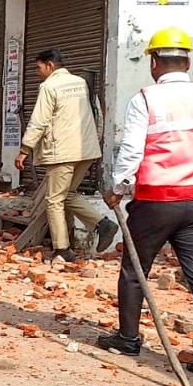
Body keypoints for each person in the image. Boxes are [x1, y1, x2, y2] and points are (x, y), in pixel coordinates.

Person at [97, 27, 193, 378]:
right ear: (188, 62)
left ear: (154, 62)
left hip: (155, 202)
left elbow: (132, 151)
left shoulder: (146, 99)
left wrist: (119, 188)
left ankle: (128, 338)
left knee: (134, 269)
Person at [15, 49, 118, 262]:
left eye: (39, 68)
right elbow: (94, 113)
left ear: (50, 66)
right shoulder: (80, 83)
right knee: (68, 194)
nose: (37, 72)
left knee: (54, 200)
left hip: (62, 151)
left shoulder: (49, 86)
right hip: (86, 150)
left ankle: (62, 249)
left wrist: (25, 149)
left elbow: (39, 121)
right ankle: (103, 224)